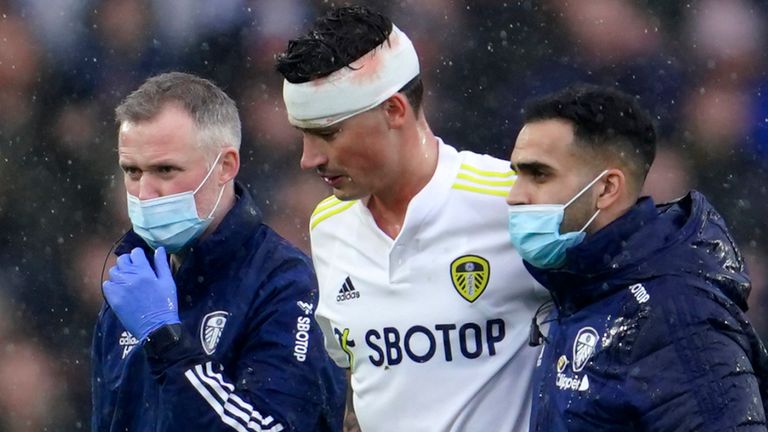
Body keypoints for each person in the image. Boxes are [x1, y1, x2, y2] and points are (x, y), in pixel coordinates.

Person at [275, 6, 544, 432]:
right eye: (302, 135)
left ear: (395, 110)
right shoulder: (327, 225)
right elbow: (359, 379)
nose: (309, 159)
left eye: (328, 133)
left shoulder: (513, 200)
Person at [91, 72, 345, 432]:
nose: (144, 193)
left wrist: (168, 340)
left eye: (165, 169)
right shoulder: (130, 284)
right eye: (132, 171)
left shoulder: (286, 283)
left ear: (225, 166)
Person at [506, 83, 768, 431]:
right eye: (517, 174)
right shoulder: (582, 290)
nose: (514, 195)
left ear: (607, 188)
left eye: (538, 174)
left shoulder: (675, 316)